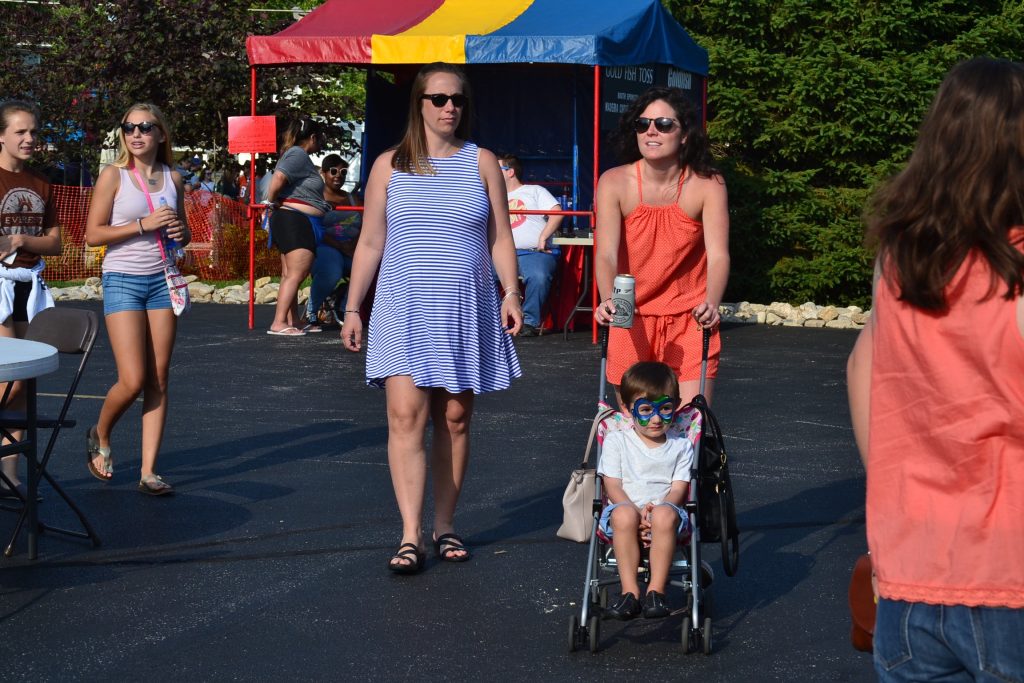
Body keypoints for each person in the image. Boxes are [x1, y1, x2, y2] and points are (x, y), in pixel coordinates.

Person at [847, 57, 1024, 681]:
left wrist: (894, 496)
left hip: (911, 568)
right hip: (1009, 570)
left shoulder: (902, 255)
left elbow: (861, 370)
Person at [340, 62, 523, 574]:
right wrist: (353, 308)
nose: (449, 107)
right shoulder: (388, 165)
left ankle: (445, 525)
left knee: (456, 419)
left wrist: (511, 292)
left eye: (458, 100)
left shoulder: (482, 161)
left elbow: (500, 237)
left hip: (465, 304)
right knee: (405, 418)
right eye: (439, 98)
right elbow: (371, 241)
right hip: (403, 306)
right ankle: (409, 534)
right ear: (419, 104)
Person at [593, 86, 729, 406]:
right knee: (636, 430)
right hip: (630, 316)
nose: (651, 131)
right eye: (643, 124)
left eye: (664, 124)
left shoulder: (708, 184)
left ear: (684, 135)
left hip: (689, 317)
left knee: (690, 428)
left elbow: (720, 254)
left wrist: (712, 302)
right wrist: (607, 299)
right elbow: (606, 253)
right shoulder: (613, 182)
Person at [84, 102, 190, 496]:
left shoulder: (172, 178)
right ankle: (102, 431)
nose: (136, 134)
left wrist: (180, 231)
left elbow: (185, 234)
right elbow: (92, 235)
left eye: (146, 127)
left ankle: (148, 471)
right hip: (122, 279)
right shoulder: (113, 176)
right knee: (132, 380)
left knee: (159, 378)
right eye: (129, 127)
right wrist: (142, 224)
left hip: (162, 280)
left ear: (161, 134)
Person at [597, 361, 694, 620]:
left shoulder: (681, 446)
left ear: (675, 406)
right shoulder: (617, 440)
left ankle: (655, 592)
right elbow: (612, 485)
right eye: (646, 410)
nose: (655, 418)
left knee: (664, 514)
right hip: (625, 510)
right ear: (629, 410)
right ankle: (630, 593)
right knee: (622, 515)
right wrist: (638, 512)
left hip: (666, 516)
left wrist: (657, 511)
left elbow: (678, 489)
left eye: (665, 409)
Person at [0, 99, 61, 500]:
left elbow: (55, 242)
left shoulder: (41, 182)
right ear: (1, 135)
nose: (29, 139)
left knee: (23, 381)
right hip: (0, 284)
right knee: (7, 379)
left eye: (33, 132)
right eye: (20, 131)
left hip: (31, 285)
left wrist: (22, 239)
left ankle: (10, 474)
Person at [264, 117, 329, 336]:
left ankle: (291, 320)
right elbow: (278, 178)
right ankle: (279, 322)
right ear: (312, 137)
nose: (321, 143)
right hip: (295, 219)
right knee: (297, 273)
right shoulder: (297, 154)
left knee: (290, 274)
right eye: (320, 139)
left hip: (295, 219)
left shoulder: (298, 156)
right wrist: (270, 203)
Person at [498, 154, 563, 337]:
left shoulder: (534, 190)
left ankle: (529, 323)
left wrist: (543, 237)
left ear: (510, 172)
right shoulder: (492, 194)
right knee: (477, 274)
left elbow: (557, 213)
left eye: (497, 169)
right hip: (503, 253)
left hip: (532, 252)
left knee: (539, 275)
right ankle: (491, 321)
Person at [301, 154, 360, 332]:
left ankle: (341, 305)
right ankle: (311, 311)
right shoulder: (316, 197)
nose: (338, 176)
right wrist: (341, 246)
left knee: (371, 269)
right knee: (332, 271)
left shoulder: (352, 199)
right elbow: (314, 228)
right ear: (324, 173)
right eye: (333, 171)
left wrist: (355, 245)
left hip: (350, 248)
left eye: (343, 172)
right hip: (326, 246)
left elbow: (368, 225)